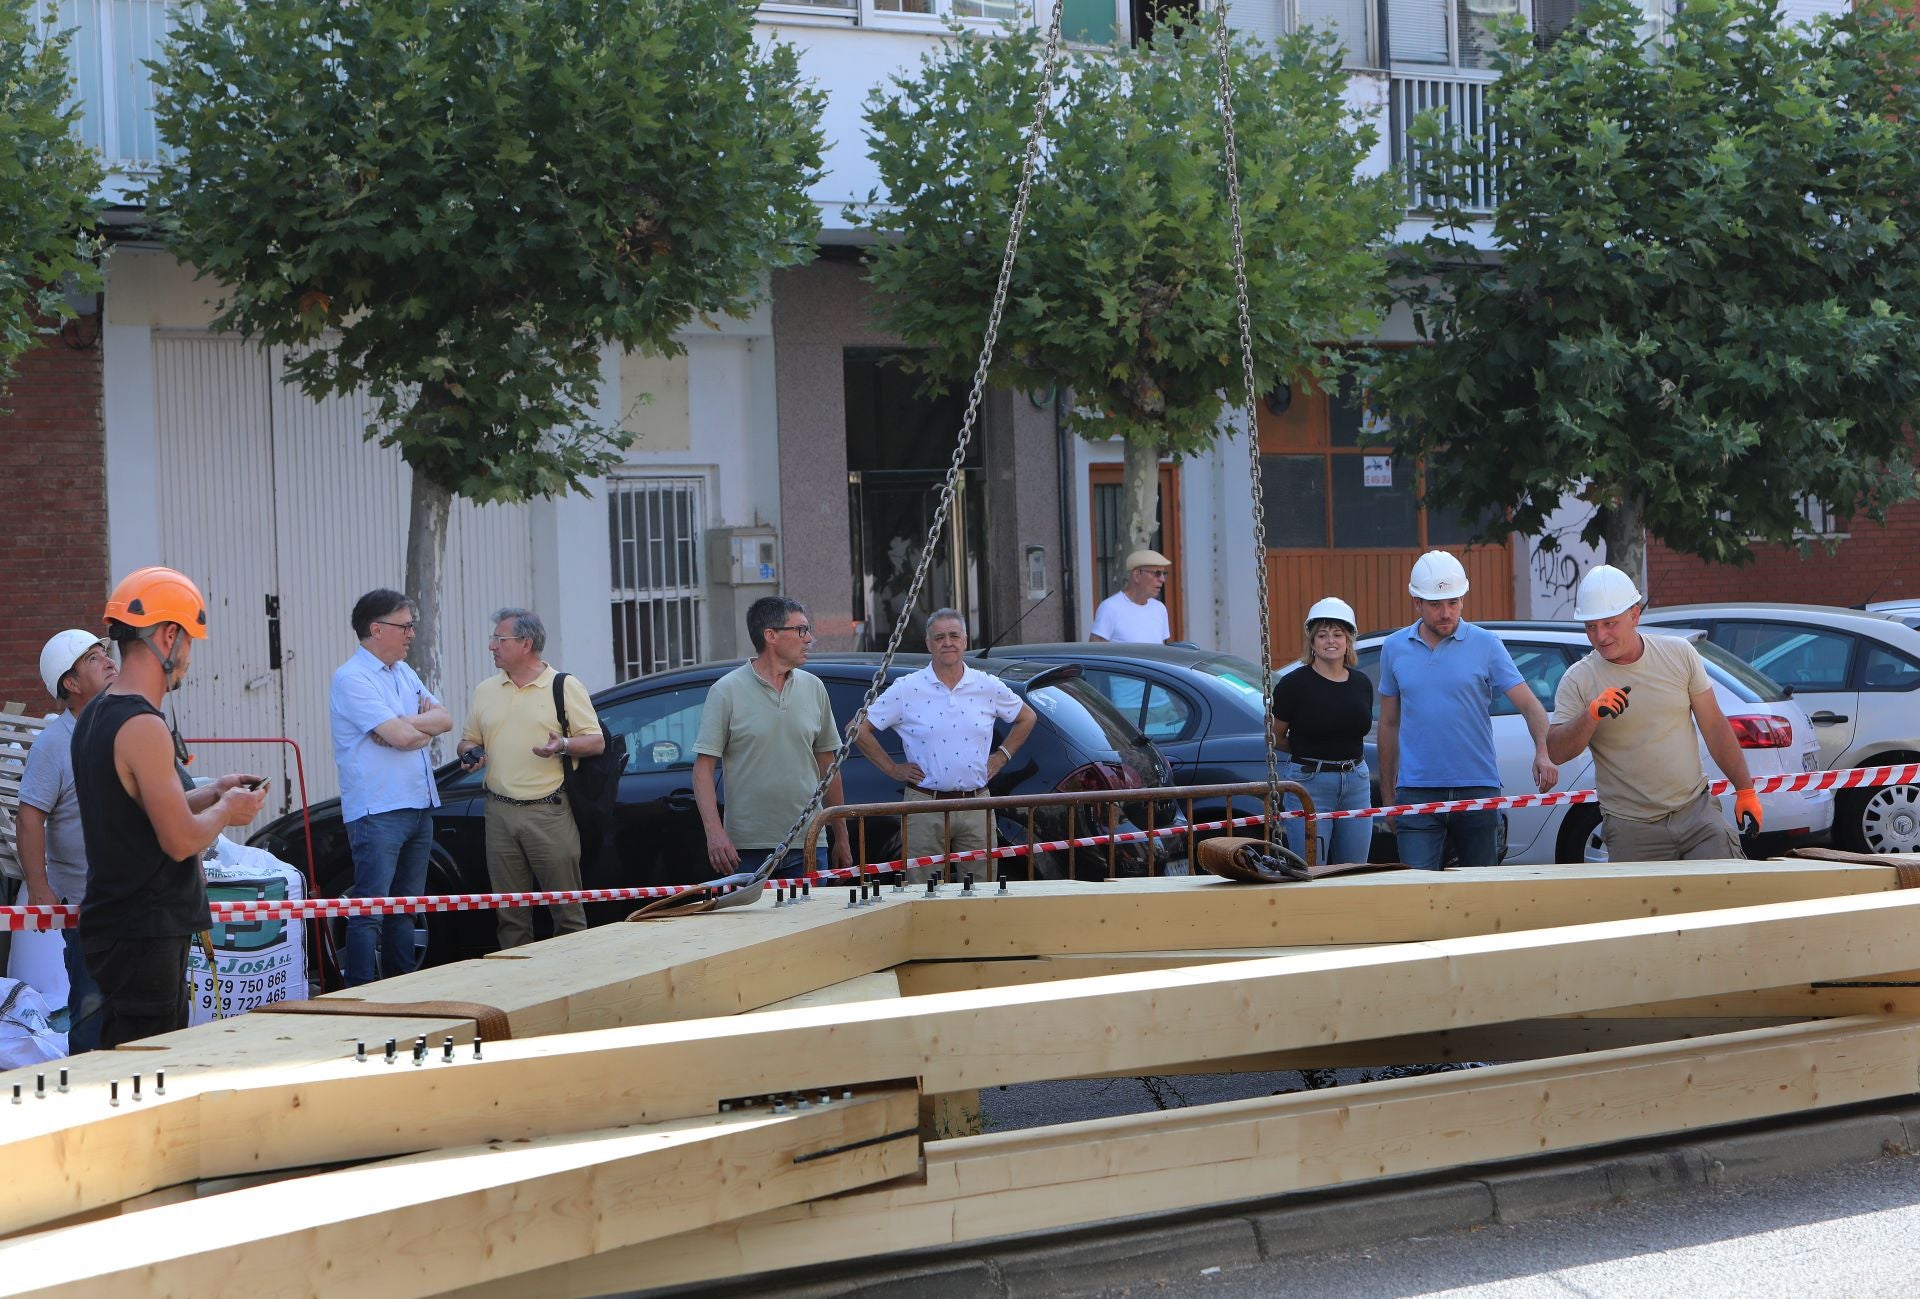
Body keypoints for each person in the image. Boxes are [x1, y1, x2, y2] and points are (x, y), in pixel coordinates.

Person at [72, 567, 268, 1049]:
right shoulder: (143, 726)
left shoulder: (96, 714)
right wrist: (228, 812)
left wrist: (213, 792)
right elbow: (178, 839)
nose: (187, 658)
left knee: (118, 1063)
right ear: (169, 635)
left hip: (118, 925)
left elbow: (137, 810)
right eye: (190, 642)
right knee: (147, 1070)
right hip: (146, 931)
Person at [1547, 565, 1759, 861]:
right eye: (1591, 626)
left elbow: (1715, 726)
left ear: (1634, 615)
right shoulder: (1578, 679)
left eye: (1610, 623)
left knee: (1726, 895)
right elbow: (1556, 751)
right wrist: (1591, 714)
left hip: (1696, 814)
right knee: (1644, 909)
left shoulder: (1679, 654)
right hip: (1631, 827)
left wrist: (1745, 790)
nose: (1600, 636)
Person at [1377, 550, 1557, 870]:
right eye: (1436, 604)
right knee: (1418, 895)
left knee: (1480, 895)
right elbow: (1388, 723)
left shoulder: (1486, 643)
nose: (1446, 613)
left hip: (1477, 789)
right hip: (1416, 793)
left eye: (1454, 602)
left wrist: (1543, 751)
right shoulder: (1394, 648)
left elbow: (1530, 705)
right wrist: (1389, 797)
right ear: (1417, 603)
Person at [854, 608, 1036, 883]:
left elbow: (1027, 717)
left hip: (976, 804)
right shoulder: (907, 688)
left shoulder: (986, 685)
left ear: (965, 640)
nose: (947, 642)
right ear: (929, 644)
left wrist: (1001, 757)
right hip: (925, 805)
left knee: (982, 891)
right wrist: (892, 768)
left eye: (954, 635)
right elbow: (857, 729)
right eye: (939, 637)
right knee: (924, 892)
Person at [457, 608, 604, 950]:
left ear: (525, 643)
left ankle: (572, 986)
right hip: (498, 813)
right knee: (510, 916)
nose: (491, 646)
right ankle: (517, 992)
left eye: (499, 639)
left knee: (567, 912)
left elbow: (595, 741)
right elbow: (468, 739)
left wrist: (563, 745)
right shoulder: (486, 690)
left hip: (548, 813)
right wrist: (470, 753)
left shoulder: (563, 685)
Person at [329, 590, 451, 985]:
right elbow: (401, 737)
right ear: (376, 629)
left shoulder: (405, 672)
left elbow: (445, 720)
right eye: (405, 626)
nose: (411, 634)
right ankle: (363, 993)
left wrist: (402, 726)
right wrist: (410, 728)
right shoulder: (352, 678)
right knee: (370, 911)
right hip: (377, 810)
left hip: (418, 803)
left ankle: (403, 989)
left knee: (406, 908)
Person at [694, 596, 854, 879]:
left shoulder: (814, 687)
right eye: (801, 630)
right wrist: (714, 833)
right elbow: (703, 769)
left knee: (812, 924)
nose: (810, 639)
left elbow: (828, 765)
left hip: (809, 841)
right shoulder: (726, 691)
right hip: (745, 849)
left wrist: (840, 834)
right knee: (752, 925)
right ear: (771, 636)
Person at [16, 630, 118, 1050]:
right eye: (94, 659)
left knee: (131, 1016)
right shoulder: (55, 744)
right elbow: (29, 817)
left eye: (105, 655)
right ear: (70, 684)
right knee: (91, 1014)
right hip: (85, 907)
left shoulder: (122, 727)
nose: (109, 662)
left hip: (131, 899)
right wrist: (40, 890)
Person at [1270, 598, 1373, 867]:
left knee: (1353, 870)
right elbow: (1275, 736)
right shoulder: (1293, 685)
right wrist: (1309, 750)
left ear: (1348, 640)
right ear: (1312, 642)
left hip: (1356, 782)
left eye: (1338, 634)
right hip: (1310, 784)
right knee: (1311, 871)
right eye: (1322, 635)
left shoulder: (1361, 683)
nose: (1331, 641)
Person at [1089, 549, 1173, 644]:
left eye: (1164, 574)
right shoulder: (1110, 607)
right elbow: (1096, 653)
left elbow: (1160, 651)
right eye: (1157, 573)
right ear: (1137, 575)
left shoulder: (1160, 609)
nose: (1162, 579)